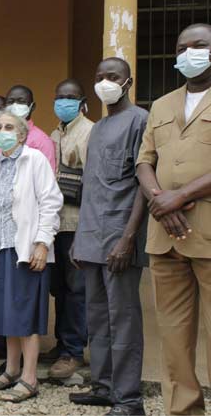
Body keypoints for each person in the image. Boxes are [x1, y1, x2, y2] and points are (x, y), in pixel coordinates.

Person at [136, 23, 211, 416]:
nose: (188, 53)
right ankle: (183, 411)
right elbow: (144, 161)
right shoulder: (162, 105)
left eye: (199, 45)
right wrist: (160, 200)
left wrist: (179, 197)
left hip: (208, 234)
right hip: (165, 235)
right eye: (182, 47)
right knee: (174, 338)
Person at [69, 58, 148, 416]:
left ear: (128, 82)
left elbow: (142, 186)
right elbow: (91, 186)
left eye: (112, 77)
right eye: (99, 77)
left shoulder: (140, 121)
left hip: (120, 239)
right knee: (97, 318)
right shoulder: (98, 128)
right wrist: (79, 239)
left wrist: (128, 239)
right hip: (91, 239)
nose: (104, 82)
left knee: (124, 319)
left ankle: (128, 399)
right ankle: (103, 387)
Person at [0, 111, 62, 402]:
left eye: (9, 127)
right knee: (6, 310)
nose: (2, 131)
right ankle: (12, 370)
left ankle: (30, 378)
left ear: (23, 134)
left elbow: (51, 202)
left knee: (25, 312)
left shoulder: (34, 160)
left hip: (25, 249)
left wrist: (42, 243)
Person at [43, 79, 93, 379]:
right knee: (59, 288)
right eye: (60, 97)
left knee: (77, 290)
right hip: (55, 224)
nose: (64, 102)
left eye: (70, 97)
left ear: (81, 101)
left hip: (76, 224)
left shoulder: (90, 132)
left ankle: (74, 351)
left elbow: (93, 183)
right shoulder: (54, 133)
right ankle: (62, 343)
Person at [0, 85, 56, 172]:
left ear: (32, 106)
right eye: (11, 101)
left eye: (21, 102)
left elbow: (47, 179)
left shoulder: (42, 141)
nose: (15, 105)